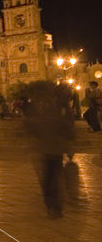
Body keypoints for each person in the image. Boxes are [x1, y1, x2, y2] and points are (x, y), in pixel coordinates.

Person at [23, 85, 75, 219]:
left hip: (46, 148)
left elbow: (35, 126)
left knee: (49, 177)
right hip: (54, 148)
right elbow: (68, 130)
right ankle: (55, 206)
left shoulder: (47, 108)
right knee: (55, 177)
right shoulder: (62, 110)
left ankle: (51, 204)